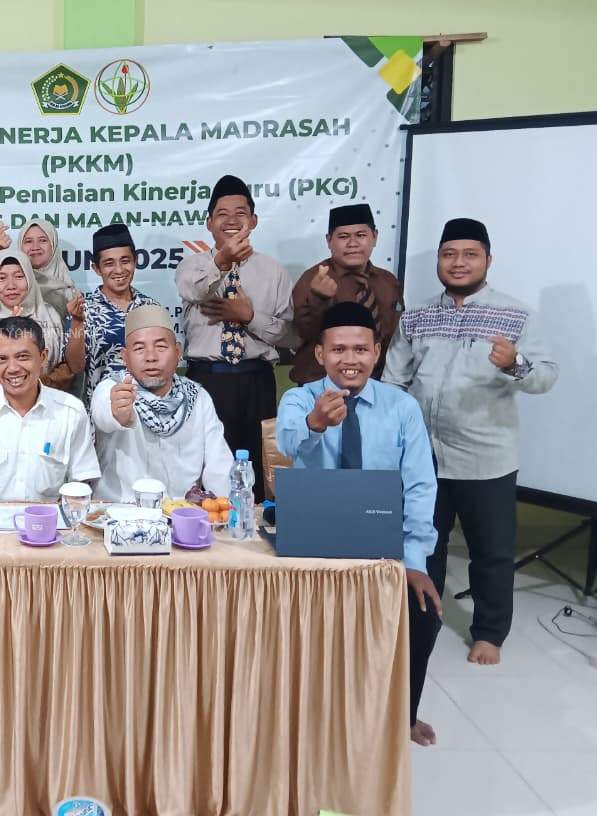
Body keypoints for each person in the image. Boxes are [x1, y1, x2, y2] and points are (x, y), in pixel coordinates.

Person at [384, 218, 557, 668]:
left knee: (491, 552)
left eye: (469, 255)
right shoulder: (417, 315)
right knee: (422, 545)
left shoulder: (516, 315)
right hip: (423, 457)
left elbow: (545, 377)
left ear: (487, 260)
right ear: (439, 261)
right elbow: (394, 381)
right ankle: (420, 622)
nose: (458, 263)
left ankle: (489, 633)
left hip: (486, 457)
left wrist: (515, 363)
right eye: (449, 254)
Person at [276, 301, 441, 746]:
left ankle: (403, 714)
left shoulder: (402, 407)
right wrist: (315, 424)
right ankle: (304, 714)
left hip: (380, 539)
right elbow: (288, 442)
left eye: (361, 349)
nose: (350, 360)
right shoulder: (300, 398)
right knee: (290, 615)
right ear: (320, 354)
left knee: (423, 615)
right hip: (315, 538)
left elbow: (420, 485)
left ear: (377, 351)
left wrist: (413, 560)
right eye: (338, 350)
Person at [175, 174, 292, 499]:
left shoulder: (273, 271)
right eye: (222, 214)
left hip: (257, 382)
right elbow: (192, 290)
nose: (231, 220)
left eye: (240, 213)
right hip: (206, 381)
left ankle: (256, 524)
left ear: (253, 221)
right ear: (209, 222)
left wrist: (249, 317)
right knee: (203, 470)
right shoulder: (192, 266)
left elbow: (289, 334)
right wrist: (222, 260)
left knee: (258, 469)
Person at [0, 316, 100, 501]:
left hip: (47, 518)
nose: (13, 368)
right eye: (1, 359)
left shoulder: (70, 411)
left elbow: (82, 481)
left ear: (43, 357)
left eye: (22, 357)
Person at [91, 305, 232, 502]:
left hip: (182, 512)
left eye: (160, 347)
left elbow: (219, 465)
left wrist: (225, 507)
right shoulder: (113, 390)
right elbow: (103, 416)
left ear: (178, 352)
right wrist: (119, 416)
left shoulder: (197, 397)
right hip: (121, 509)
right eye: (139, 348)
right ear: (125, 357)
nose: (151, 357)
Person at [290, 203, 402, 385]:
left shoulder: (388, 282)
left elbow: (395, 338)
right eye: (343, 236)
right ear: (329, 240)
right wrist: (319, 299)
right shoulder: (314, 279)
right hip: (322, 385)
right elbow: (302, 334)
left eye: (361, 235)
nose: (353, 244)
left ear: (374, 237)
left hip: (377, 385)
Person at [0, 249, 85, 391]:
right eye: (1, 278)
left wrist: (44, 385)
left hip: (51, 397)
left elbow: (69, 366)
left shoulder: (49, 314)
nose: (11, 286)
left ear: (30, 278)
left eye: (19, 276)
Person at [81, 224, 161, 402]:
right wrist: (77, 323)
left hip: (148, 408)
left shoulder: (151, 307)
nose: (119, 270)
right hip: (102, 408)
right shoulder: (85, 311)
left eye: (125, 261)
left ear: (135, 260)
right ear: (96, 268)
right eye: (109, 263)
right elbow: (75, 366)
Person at [0, 219, 78, 319]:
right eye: (28, 241)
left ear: (53, 245)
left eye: (43, 240)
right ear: (20, 246)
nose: (35, 247)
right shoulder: (10, 286)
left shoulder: (70, 294)